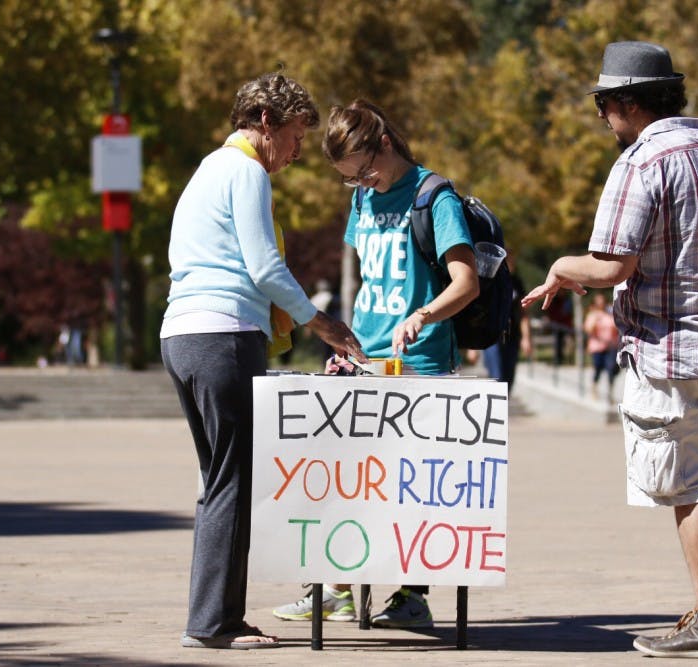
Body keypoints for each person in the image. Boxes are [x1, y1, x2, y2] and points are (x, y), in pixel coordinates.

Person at [521, 41, 698, 659]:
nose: (604, 119)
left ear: (628, 103)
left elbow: (612, 265)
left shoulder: (644, 163)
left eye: (604, 107)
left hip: (672, 353)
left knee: (692, 488)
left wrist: (561, 265)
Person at [160, 73, 366, 650]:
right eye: (297, 134)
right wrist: (321, 323)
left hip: (184, 335)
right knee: (234, 480)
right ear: (267, 122)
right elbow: (265, 267)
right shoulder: (246, 171)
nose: (299, 151)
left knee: (219, 480)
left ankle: (213, 617)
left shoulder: (207, 169)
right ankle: (213, 624)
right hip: (224, 333)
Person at [271, 98, 479, 629]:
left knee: (414, 484)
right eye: (348, 179)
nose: (361, 184)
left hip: (419, 364)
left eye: (365, 171)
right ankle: (337, 589)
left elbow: (466, 282)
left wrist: (424, 314)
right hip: (361, 358)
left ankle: (413, 595)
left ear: (385, 145)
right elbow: (368, 276)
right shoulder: (362, 200)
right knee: (344, 479)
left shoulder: (435, 197)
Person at [482, 251, 532, 393]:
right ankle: (496, 411)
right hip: (492, 336)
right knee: (497, 377)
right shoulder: (491, 280)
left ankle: (502, 410)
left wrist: (526, 338)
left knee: (509, 378)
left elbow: (523, 314)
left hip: (512, 335)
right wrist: (472, 348)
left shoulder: (517, 282)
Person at [583, 291, 619, 402]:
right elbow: (588, 329)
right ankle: (594, 387)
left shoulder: (609, 315)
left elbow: (616, 328)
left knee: (611, 368)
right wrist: (596, 317)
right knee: (598, 367)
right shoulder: (592, 315)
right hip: (597, 347)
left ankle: (610, 392)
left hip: (610, 346)